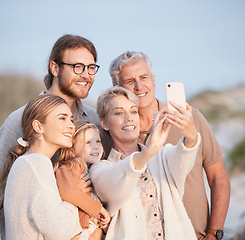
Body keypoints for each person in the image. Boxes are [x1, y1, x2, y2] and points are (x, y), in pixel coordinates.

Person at [0, 34, 111, 240]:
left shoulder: (93, 119)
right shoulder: (19, 119)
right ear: (55, 68)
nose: (86, 75)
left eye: (91, 68)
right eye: (77, 67)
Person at [109, 51, 230, 240]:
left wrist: (214, 233)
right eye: (130, 81)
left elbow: (219, 178)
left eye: (143, 77)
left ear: (154, 79)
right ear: (117, 88)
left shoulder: (191, 119)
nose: (139, 86)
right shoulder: (115, 134)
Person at [90, 86, 201, 239]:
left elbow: (184, 157)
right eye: (119, 113)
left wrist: (191, 136)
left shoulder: (162, 156)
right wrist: (149, 150)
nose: (129, 117)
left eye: (134, 111)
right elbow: (113, 184)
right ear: (104, 123)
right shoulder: (100, 169)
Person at [0, 94, 83, 239]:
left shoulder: (27, 162)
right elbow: (59, 231)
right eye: (62, 118)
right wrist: (75, 198)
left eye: (71, 119)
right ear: (38, 126)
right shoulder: (37, 164)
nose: (71, 125)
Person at [53, 120, 111, 239]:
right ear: (72, 148)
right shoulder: (71, 165)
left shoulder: (93, 170)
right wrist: (99, 209)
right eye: (88, 142)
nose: (95, 146)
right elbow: (67, 191)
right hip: (79, 232)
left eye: (98, 141)